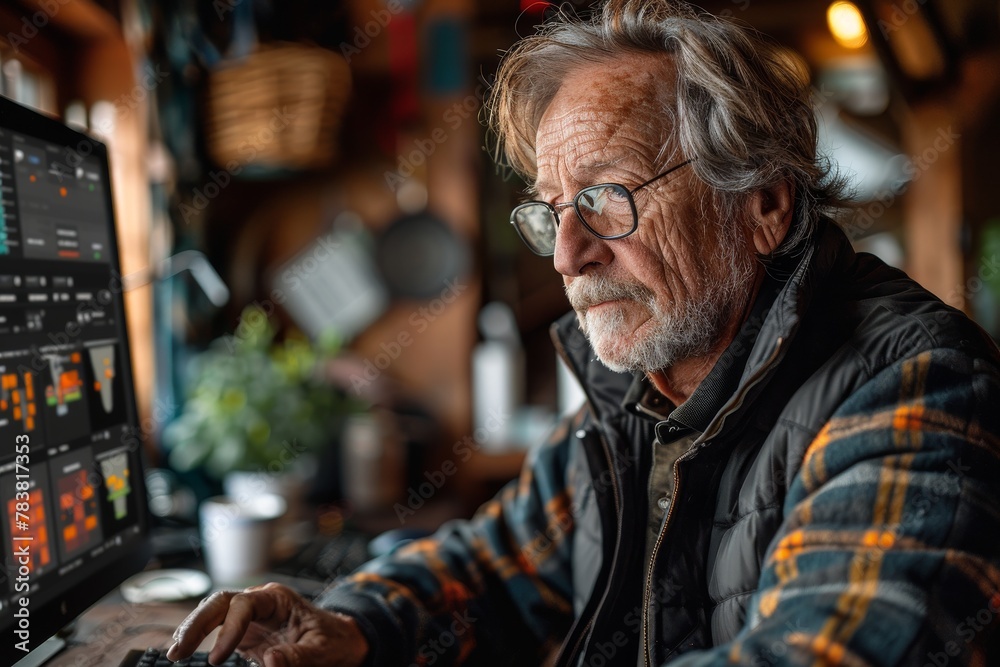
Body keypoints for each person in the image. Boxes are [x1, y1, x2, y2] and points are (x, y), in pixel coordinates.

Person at [168, 2, 1000, 665]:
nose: (567, 254)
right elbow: (487, 564)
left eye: (608, 195)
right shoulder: (642, 396)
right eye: (553, 211)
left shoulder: (914, 382)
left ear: (763, 204)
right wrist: (349, 622)